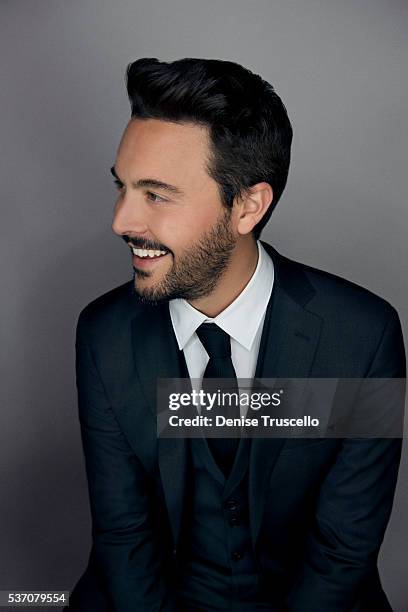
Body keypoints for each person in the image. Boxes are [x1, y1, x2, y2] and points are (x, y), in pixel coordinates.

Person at [67, 57, 406, 611]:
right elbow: (124, 537)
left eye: (156, 194)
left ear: (248, 206)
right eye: (122, 188)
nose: (122, 221)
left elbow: (343, 551)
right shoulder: (103, 334)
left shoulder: (363, 336)